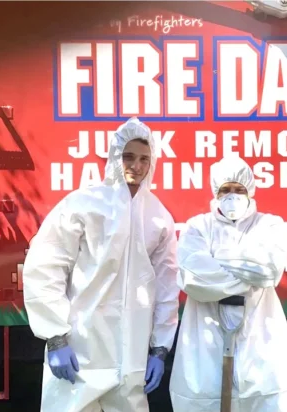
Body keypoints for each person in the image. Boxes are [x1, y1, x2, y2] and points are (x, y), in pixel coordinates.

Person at [22, 117, 180, 412]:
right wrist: (55, 337)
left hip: (131, 356)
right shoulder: (83, 204)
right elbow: (45, 266)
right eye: (129, 156)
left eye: (144, 159)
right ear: (115, 156)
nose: (136, 166)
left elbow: (166, 286)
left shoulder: (158, 217)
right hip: (81, 347)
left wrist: (160, 348)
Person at [169, 155, 287, 412]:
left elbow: (268, 269)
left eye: (239, 189)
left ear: (250, 190)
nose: (232, 196)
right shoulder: (197, 227)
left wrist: (216, 261)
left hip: (260, 339)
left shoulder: (269, 225)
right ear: (215, 192)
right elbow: (194, 278)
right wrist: (247, 273)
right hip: (205, 339)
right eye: (225, 189)